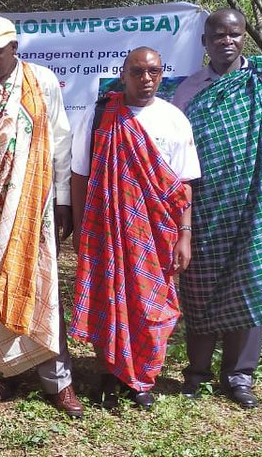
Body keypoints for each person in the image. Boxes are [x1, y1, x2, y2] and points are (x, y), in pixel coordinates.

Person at [171, 8, 262, 408]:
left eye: (234, 34)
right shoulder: (189, 90)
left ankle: (239, 377)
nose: (226, 41)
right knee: (199, 288)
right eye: (218, 35)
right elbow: (178, 153)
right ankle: (196, 374)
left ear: (244, 37)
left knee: (249, 286)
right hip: (204, 209)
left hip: (256, 206)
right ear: (205, 42)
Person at [0, 16, 82, 417]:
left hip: (34, 208)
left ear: (14, 49)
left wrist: (62, 201)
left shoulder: (41, 82)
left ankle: (58, 380)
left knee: (42, 286)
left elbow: (60, 141)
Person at [70, 47, 201, 409]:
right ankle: (107, 375)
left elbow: (184, 184)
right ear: (124, 73)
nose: (146, 79)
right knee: (107, 296)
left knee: (150, 302)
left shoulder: (174, 120)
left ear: (161, 75)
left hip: (156, 233)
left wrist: (185, 235)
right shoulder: (100, 116)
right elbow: (80, 175)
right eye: (137, 72)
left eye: (153, 72)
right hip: (106, 227)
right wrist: (83, 229)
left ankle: (140, 377)